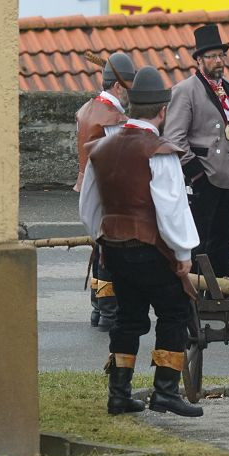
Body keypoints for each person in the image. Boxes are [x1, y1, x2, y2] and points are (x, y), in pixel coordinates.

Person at [78, 66, 203, 417]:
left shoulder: (101, 148)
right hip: (150, 248)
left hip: (113, 248)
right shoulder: (159, 151)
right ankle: (165, 391)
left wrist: (102, 237)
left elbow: (88, 206)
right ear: (162, 111)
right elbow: (172, 208)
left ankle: (119, 394)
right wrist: (183, 254)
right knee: (174, 311)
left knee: (128, 318)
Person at [165, 24, 229, 279]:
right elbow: (174, 136)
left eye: (221, 56)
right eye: (211, 56)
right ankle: (198, 291)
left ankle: (222, 289)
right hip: (204, 176)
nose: (218, 61)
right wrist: (196, 173)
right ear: (199, 60)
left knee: (224, 236)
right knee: (201, 238)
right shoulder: (185, 90)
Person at [74, 52, 135, 332]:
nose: (130, 94)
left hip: (87, 186)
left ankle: (98, 309)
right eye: (129, 87)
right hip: (106, 191)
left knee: (99, 248)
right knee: (110, 251)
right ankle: (109, 314)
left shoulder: (87, 109)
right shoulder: (112, 117)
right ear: (119, 86)